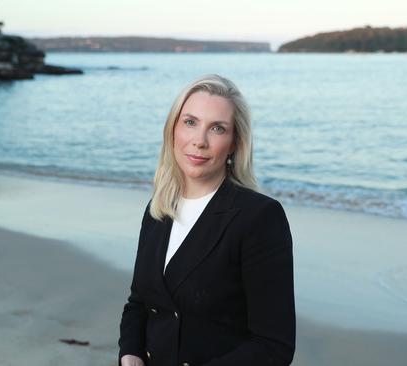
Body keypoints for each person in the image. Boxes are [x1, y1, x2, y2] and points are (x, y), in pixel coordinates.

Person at [118, 74, 295, 366]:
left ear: (235, 142)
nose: (199, 141)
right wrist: (130, 354)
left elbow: (274, 346)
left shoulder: (259, 218)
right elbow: (139, 302)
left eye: (217, 128)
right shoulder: (159, 209)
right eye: (190, 122)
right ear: (172, 130)